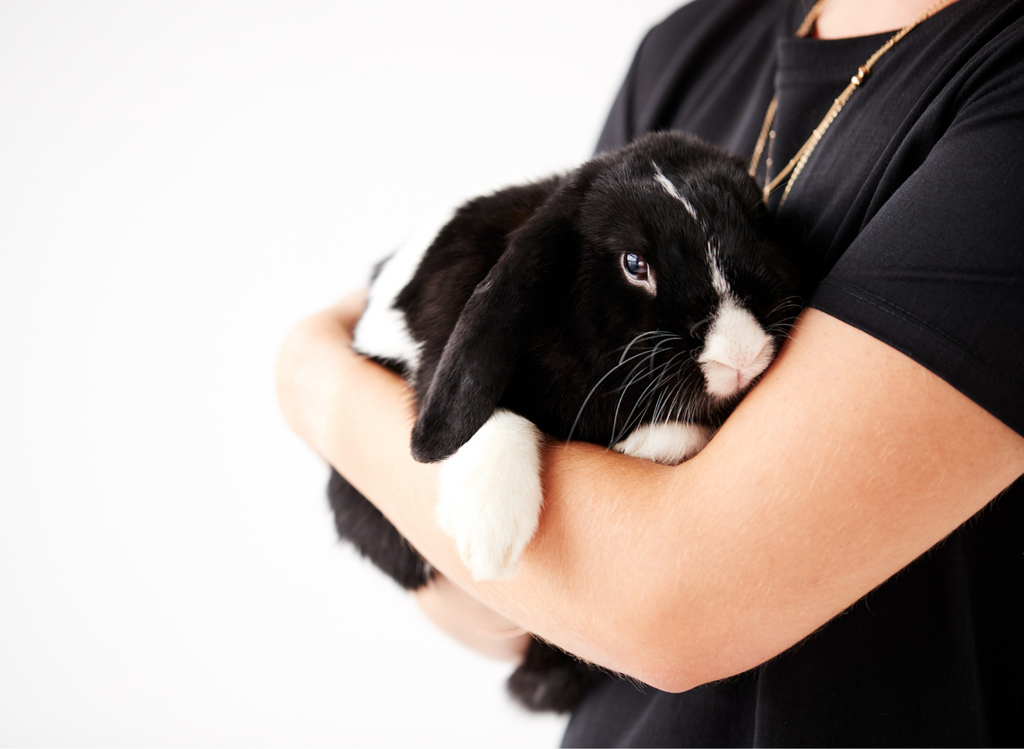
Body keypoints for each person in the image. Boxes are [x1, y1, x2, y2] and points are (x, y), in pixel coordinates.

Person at [277, 0, 1024, 744]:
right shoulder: (692, 47)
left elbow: (672, 602)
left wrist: (315, 383)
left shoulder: (1002, 89)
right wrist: (509, 524)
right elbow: (488, 595)